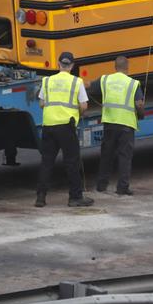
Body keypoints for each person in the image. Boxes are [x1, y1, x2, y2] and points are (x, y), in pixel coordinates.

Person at [35, 52, 94, 208]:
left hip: (48, 125)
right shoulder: (77, 82)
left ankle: (40, 197)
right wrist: (78, 113)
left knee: (47, 162)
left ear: (58, 64)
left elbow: (41, 104)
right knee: (72, 162)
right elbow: (84, 106)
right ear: (72, 66)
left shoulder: (47, 81)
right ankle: (75, 197)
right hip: (67, 127)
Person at [93, 56, 145, 196]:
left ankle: (101, 185)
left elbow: (90, 88)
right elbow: (139, 104)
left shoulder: (105, 80)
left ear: (114, 67)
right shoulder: (133, 83)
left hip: (109, 123)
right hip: (126, 125)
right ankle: (122, 188)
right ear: (127, 68)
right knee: (124, 157)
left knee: (106, 155)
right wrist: (141, 114)